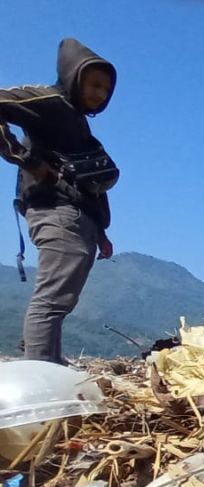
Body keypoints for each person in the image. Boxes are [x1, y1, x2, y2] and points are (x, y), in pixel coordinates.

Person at [1, 38, 119, 364]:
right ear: (72, 75)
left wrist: (101, 230)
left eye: (106, 90)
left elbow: (86, 182)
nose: (100, 94)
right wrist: (24, 159)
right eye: (93, 84)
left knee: (60, 299)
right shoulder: (49, 100)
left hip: (79, 218)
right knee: (53, 299)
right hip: (56, 211)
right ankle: (40, 373)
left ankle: (45, 359)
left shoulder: (75, 120)